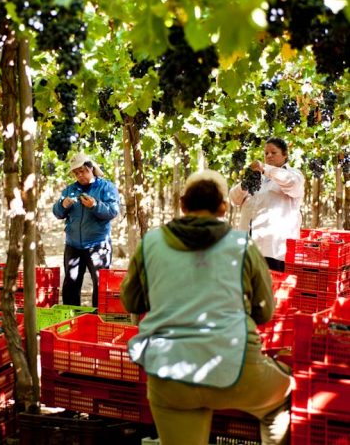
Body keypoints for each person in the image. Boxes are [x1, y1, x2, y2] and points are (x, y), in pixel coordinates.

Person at [121, 169, 291, 445]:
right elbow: (264, 312)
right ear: (223, 207)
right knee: (283, 398)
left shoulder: (150, 243)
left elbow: (131, 302)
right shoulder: (243, 246)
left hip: (170, 373)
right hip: (236, 368)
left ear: (182, 204)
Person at [53, 151, 120, 307]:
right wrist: (61, 206)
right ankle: (70, 319)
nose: (79, 175)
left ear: (91, 168)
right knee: (71, 283)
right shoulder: (70, 190)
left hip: (98, 245)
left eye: (82, 171)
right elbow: (57, 213)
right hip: (73, 245)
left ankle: (98, 319)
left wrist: (95, 206)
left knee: (100, 284)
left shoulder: (106, 187)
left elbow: (113, 211)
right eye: (76, 173)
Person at [229, 137, 304, 272]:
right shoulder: (258, 178)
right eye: (266, 153)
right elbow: (234, 199)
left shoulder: (294, 175)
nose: (268, 156)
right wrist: (245, 183)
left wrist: (265, 169)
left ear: (285, 155)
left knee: (274, 287)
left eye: (273, 152)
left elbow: (291, 183)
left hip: (275, 248)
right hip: (249, 245)